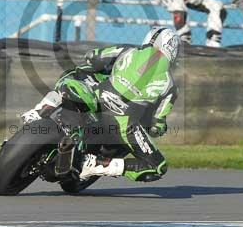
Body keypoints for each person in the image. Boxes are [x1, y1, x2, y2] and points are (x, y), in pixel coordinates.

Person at [21, 27, 180, 182]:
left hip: (96, 98)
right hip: (124, 124)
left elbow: (93, 56)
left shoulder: (128, 50)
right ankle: (98, 165)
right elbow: (157, 125)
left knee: (75, 74)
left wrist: (109, 71)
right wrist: (156, 127)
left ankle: (37, 112)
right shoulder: (171, 86)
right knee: (157, 166)